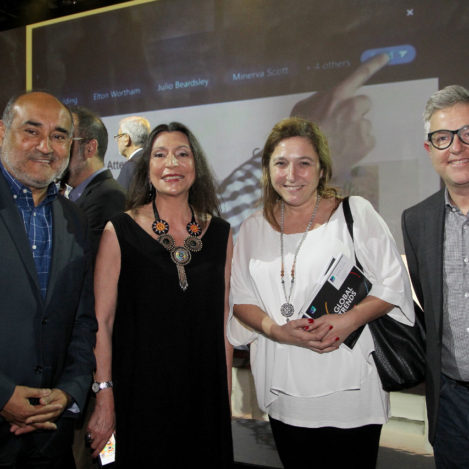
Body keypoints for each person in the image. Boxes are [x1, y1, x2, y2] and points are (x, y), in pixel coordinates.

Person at [230, 117, 414, 468]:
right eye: (281, 163)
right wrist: (275, 330)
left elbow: (393, 282)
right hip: (285, 390)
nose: (292, 174)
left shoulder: (354, 213)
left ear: (322, 169)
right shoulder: (253, 227)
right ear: (268, 169)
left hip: (351, 390)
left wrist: (350, 319)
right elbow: (240, 297)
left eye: (304, 163)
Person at [87, 122, 234, 467]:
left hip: (204, 395)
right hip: (140, 396)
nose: (172, 164)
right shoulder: (119, 231)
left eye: (182, 154)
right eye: (160, 155)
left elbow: (224, 325)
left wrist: (224, 396)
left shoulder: (221, 234)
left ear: (196, 166)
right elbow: (101, 322)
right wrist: (104, 393)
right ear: (147, 168)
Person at [0, 91, 97, 467]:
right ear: (2, 132)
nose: (45, 146)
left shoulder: (75, 219)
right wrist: (3, 395)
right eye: (32, 131)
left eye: (58, 136)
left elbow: (82, 320)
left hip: (51, 438)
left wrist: (70, 391)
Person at [402, 84, 469, 468]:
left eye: (466, 133)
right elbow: (428, 306)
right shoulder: (417, 220)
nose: (456, 147)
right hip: (451, 403)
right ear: (430, 150)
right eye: (443, 138)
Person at [67, 106, 126, 260]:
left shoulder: (109, 197)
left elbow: (84, 260)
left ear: (90, 148)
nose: (57, 150)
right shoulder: (79, 195)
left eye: (66, 140)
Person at [115, 115, 150, 190]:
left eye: (118, 136)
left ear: (126, 139)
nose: (117, 141)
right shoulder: (154, 160)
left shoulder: (130, 166)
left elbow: (120, 196)